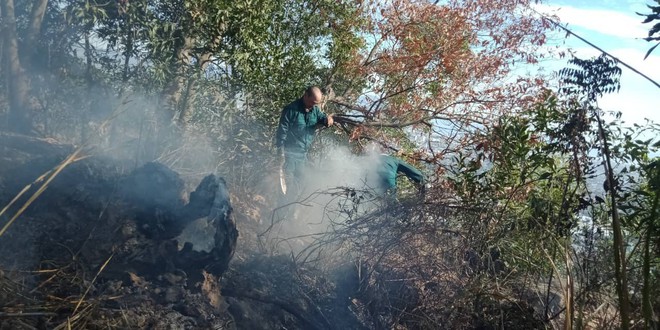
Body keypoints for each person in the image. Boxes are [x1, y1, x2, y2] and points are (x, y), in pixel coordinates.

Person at [275, 86, 334, 195]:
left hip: (303, 156)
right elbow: (281, 133)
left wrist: (328, 119)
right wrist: (281, 154)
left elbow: (322, 117)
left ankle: (292, 210)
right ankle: (280, 210)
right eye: (312, 102)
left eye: (316, 103)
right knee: (287, 189)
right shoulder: (290, 110)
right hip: (289, 156)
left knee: (299, 187)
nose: (314, 105)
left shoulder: (315, 110)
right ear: (305, 95)